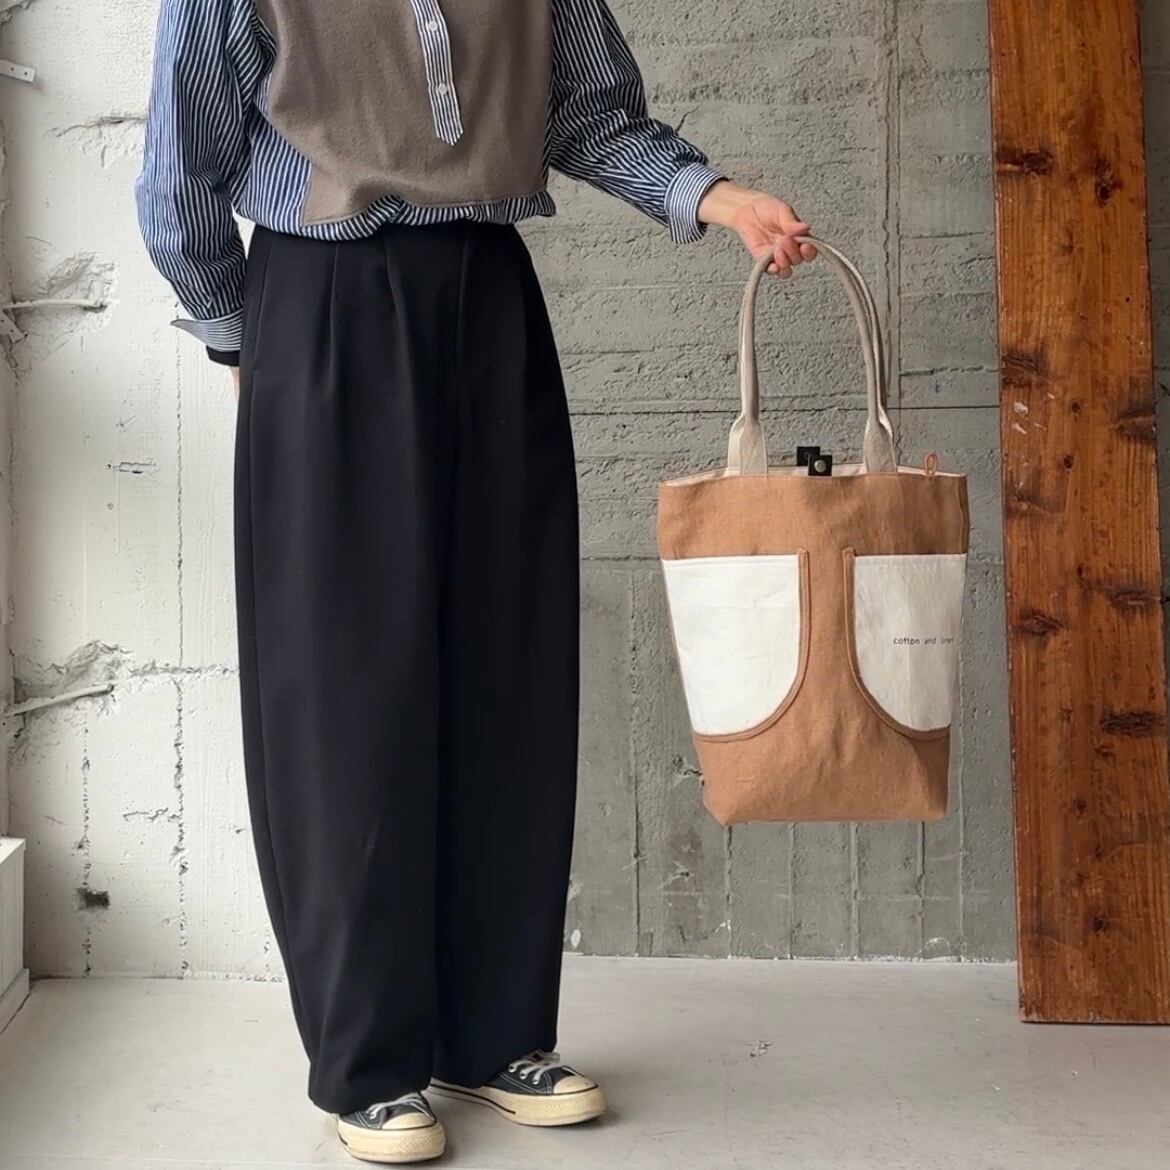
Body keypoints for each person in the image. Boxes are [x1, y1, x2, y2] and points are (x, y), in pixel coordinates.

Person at [135, 1, 815, 1163]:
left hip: (490, 300)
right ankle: (368, 1062)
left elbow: (590, 117)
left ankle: (491, 1035)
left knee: (510, 667)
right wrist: (252, 340)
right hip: (321, 306)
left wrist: (717, 197)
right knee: (347, 694)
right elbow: (178, 181)